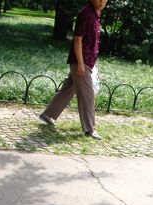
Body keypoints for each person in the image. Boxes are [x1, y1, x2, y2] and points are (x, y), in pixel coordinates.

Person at [39, 0, 107, 140]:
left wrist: (91, 64)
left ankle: (47, 115)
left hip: (86, 61)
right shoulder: (86, 13)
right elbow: (77, 39)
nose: (102, 2)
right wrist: (81, 64)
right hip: (80, 61)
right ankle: (89, 129)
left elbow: (91, 43)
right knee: (87, 95)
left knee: (69, 89)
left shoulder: (95, 14)